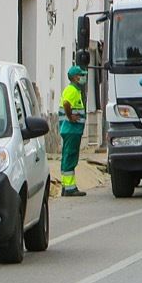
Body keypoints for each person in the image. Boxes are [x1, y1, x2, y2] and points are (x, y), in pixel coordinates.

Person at [58, 65, 88, 197]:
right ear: (75, 77)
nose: (83, 77)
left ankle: (67, 186)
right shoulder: (72, 90)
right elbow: (66, 104)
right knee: (70, 157)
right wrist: (71, 117)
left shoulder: (75, 90)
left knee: (69, 156)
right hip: (71, 129)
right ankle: (69, 188)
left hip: (72, 130)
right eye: (81, 75)